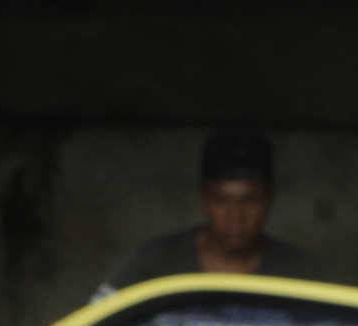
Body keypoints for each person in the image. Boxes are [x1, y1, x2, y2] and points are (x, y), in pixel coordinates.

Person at [95, 127, 320, 299]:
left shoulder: (297, 271)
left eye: (249, 201)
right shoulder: (157, 262)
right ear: (204, 199)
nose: (235, 216)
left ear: (269, 201)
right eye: (222, 200)